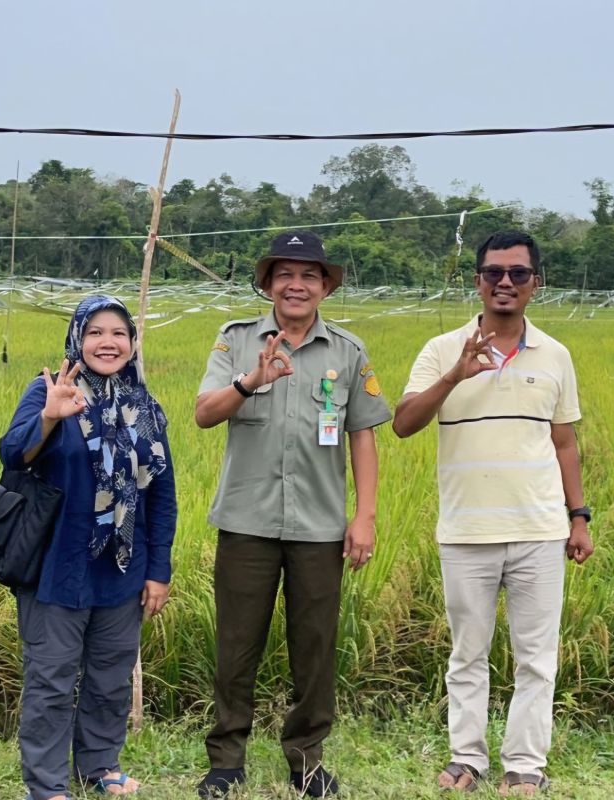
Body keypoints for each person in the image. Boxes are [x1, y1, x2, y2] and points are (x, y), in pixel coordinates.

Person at [392, 231, 594, 796]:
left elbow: (565, 443)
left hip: (540, 529)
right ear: (477, 281)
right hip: (467, 531)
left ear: (536, 283)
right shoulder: (441, 349)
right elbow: (404, 423)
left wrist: (579, 517)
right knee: (467, 654)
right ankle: (466, 759)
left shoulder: (555, 355)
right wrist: (457, 373)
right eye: (494, 273)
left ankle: (525, 765)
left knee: (537, 658)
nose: (505, 282)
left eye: (518, 273)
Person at [193, 231, 391, 798]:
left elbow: (363, 438)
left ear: (325, 286)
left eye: (310, 275)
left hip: (320, 528)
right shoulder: (234, 341)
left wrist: (365, 517)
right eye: (285, 274)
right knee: (236, 648)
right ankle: (226, 760)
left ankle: (306, 759)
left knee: (315, 650)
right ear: (267, 284)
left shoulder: (348, 353)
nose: (297, 285)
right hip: (247, 523)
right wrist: (252, 380)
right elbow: (205, 413)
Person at [0, 295, 177, 800]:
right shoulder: (48, 390)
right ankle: (48, 782)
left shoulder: (145, 406)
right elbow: (13, 454)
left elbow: (161, 495)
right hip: (57, 563)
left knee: (110, 676)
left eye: (119, 333)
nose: (108, 342)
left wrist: (158, 569)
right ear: (78, 337)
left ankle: (98, 766)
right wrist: (51, 418)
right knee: (51, 680)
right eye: (95, 331)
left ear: (132, 343)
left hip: (121, 565)